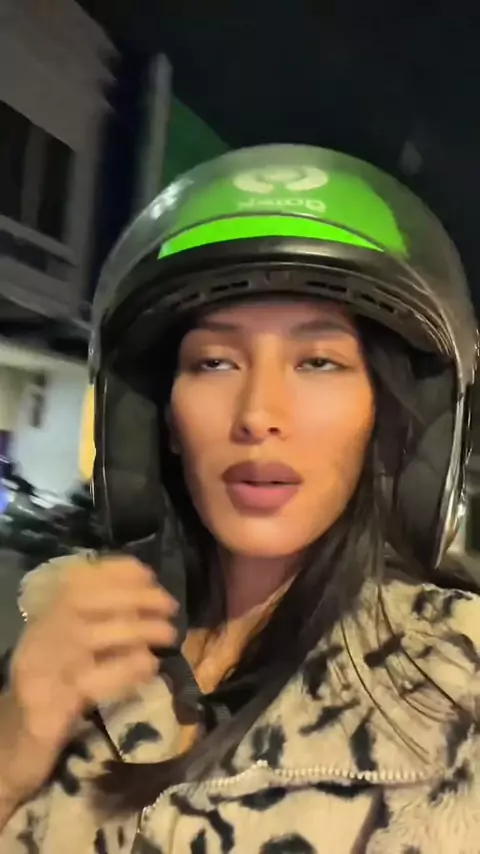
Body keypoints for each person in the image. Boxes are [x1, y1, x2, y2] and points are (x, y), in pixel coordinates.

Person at [0, 144, 478, 854]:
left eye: (319, 362)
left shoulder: (457, 684)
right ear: (161, 421)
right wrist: (17, 738)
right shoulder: (77, 638)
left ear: (386, 416)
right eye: (215, 362)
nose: (258, 415)